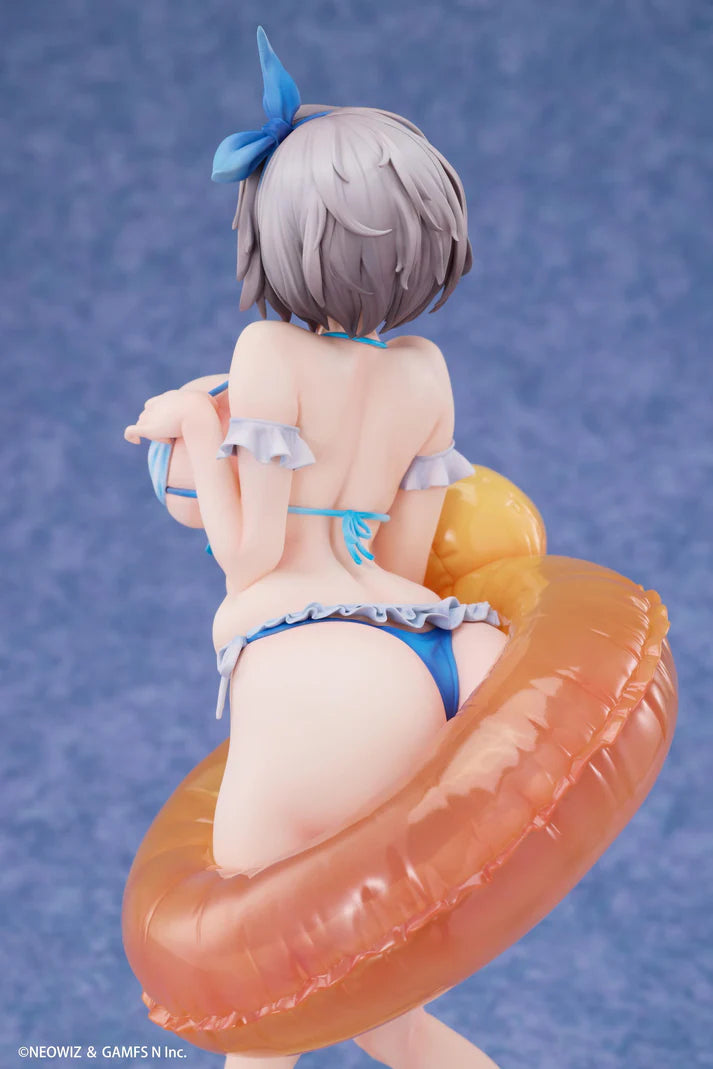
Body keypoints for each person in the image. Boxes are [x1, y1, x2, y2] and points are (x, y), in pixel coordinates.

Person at [125, 28, 506, 1069]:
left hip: (308, 659)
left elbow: (252, 556)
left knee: (259, 1019)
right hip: (439, 655)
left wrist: (189, 424)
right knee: (390, 1016)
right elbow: (405, 559)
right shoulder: (425, 371)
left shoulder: (266, 351)